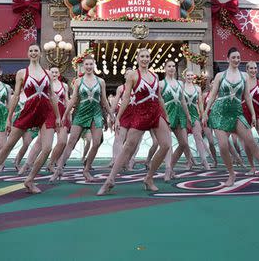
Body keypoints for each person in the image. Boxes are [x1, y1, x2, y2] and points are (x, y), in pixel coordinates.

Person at [0, 44, 60, 195]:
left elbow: (52, 95)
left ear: (40, 54)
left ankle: (30, 180)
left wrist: (58, 116)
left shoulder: (47, 73)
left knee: (47, 148)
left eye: (36, 51)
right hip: (28, 111)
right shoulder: (21, 73)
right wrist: (8, 118)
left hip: (47, 112)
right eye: (31, 50)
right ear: (28, 53)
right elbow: (16, 96)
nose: (33, 53)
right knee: (7, 146)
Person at [204, 48, 259, 188]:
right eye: (234, 57)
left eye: (238, 57)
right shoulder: (220, 76)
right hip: (219, 113)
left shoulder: (244, 76)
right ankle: (231, 174)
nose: (236, 60)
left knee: (252, 143)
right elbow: (212, 95)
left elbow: (247, 96)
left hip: (237, 113)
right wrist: (205, 112)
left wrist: (252, 114)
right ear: (227, 58)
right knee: (223, 146)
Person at [96, 48, 172, 195]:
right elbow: (125, 99)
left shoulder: (155, 76)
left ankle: (149, 178)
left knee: (166, 145)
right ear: (137, 59)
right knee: (128, 147)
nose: (145, 59)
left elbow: (160, 98)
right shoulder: (132, 75)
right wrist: (117, 117)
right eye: (142, 56)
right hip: (141, 114)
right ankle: (110, 180)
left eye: (147, 56)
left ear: (150, 59)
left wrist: (166, 116)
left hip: (156, 113)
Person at [51, 56, 112, 183]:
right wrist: (65, 115)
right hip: (80, 113)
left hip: (96, 113)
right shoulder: (78, 81)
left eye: (91, 64)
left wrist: (111, 116)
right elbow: (73, 99)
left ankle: (87, 170)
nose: (89, 67)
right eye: (87, 64)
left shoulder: (100, 81)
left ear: (94, 65)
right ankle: (59, 169)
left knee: (96, 143)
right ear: (83, 66)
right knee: (71, 142)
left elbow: (104, 100)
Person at [161, 60, 194, 178]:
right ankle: (167, 170)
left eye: (173, 66)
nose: (171, 68)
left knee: (184, 143)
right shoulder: (161, 84)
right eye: (169, 66)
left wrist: (188, 115)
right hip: (167, 114)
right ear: (165, 68)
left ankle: (171, 167)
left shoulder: (181, 83)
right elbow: (159, 101)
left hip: (180, 114)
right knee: (168, 144)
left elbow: (183, 101)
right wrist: (164, 115)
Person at [183, 70, 211, 170]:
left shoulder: (198, 89)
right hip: (184, 116)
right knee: (184, 141)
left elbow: (200, 103)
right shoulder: (181, 87)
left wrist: (203, 114)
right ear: (184, 76)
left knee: (198, 138)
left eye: (191, 75)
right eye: (188, 75)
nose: (190, 77)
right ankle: (189, 161)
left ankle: (204, 161)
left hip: (194, 114)